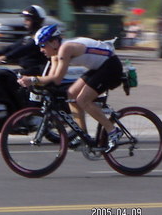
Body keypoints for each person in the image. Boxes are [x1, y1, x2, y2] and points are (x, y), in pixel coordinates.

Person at [17, 24, 123, 153]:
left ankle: (113, 131)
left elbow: (57, 78)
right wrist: (35, 83)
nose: (41, 49)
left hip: (111, 66)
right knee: (71, 94)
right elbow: (51, 78)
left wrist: (33, 79)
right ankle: (83, 135)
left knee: (83, 100)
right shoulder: (55, 54)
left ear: (54, 42)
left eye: (43, 45)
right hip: (99, 67)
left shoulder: (65, 49)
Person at [0, 5, 48, 76]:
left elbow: (24, 49)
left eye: (28, 19)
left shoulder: (41, 36)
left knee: (4, 76)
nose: (25, 22)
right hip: (27, 69)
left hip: (36, 71)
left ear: (36, 20)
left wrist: (5, 57)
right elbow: (13, 47)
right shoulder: (29, 35)